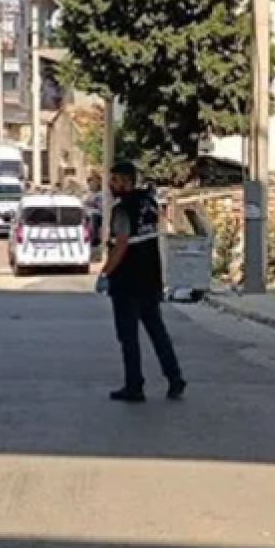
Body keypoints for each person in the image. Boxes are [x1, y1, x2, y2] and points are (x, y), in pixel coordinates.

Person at [99, 161, 185, 402]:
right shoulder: (149, 204)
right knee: (157, 332)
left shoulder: (122, 209)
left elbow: (121, 245)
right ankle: (175, 378)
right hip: (150, 279)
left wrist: (105, 273)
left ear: (127, 182)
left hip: (127, 282)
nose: (111, 185)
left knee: (128, 337)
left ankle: (134, 385)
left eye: (115, 180)